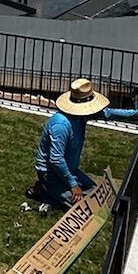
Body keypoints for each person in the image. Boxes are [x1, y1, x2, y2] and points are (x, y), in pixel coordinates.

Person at [31, 76, 108, 210]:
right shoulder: (61, 125)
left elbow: (109, 114)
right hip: (50, 172)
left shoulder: (81, 116)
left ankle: (52, 193)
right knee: (84, 208)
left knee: (97, 194)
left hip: (70, 170)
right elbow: (56, 159)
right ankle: (44, 190)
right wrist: (73, 185)